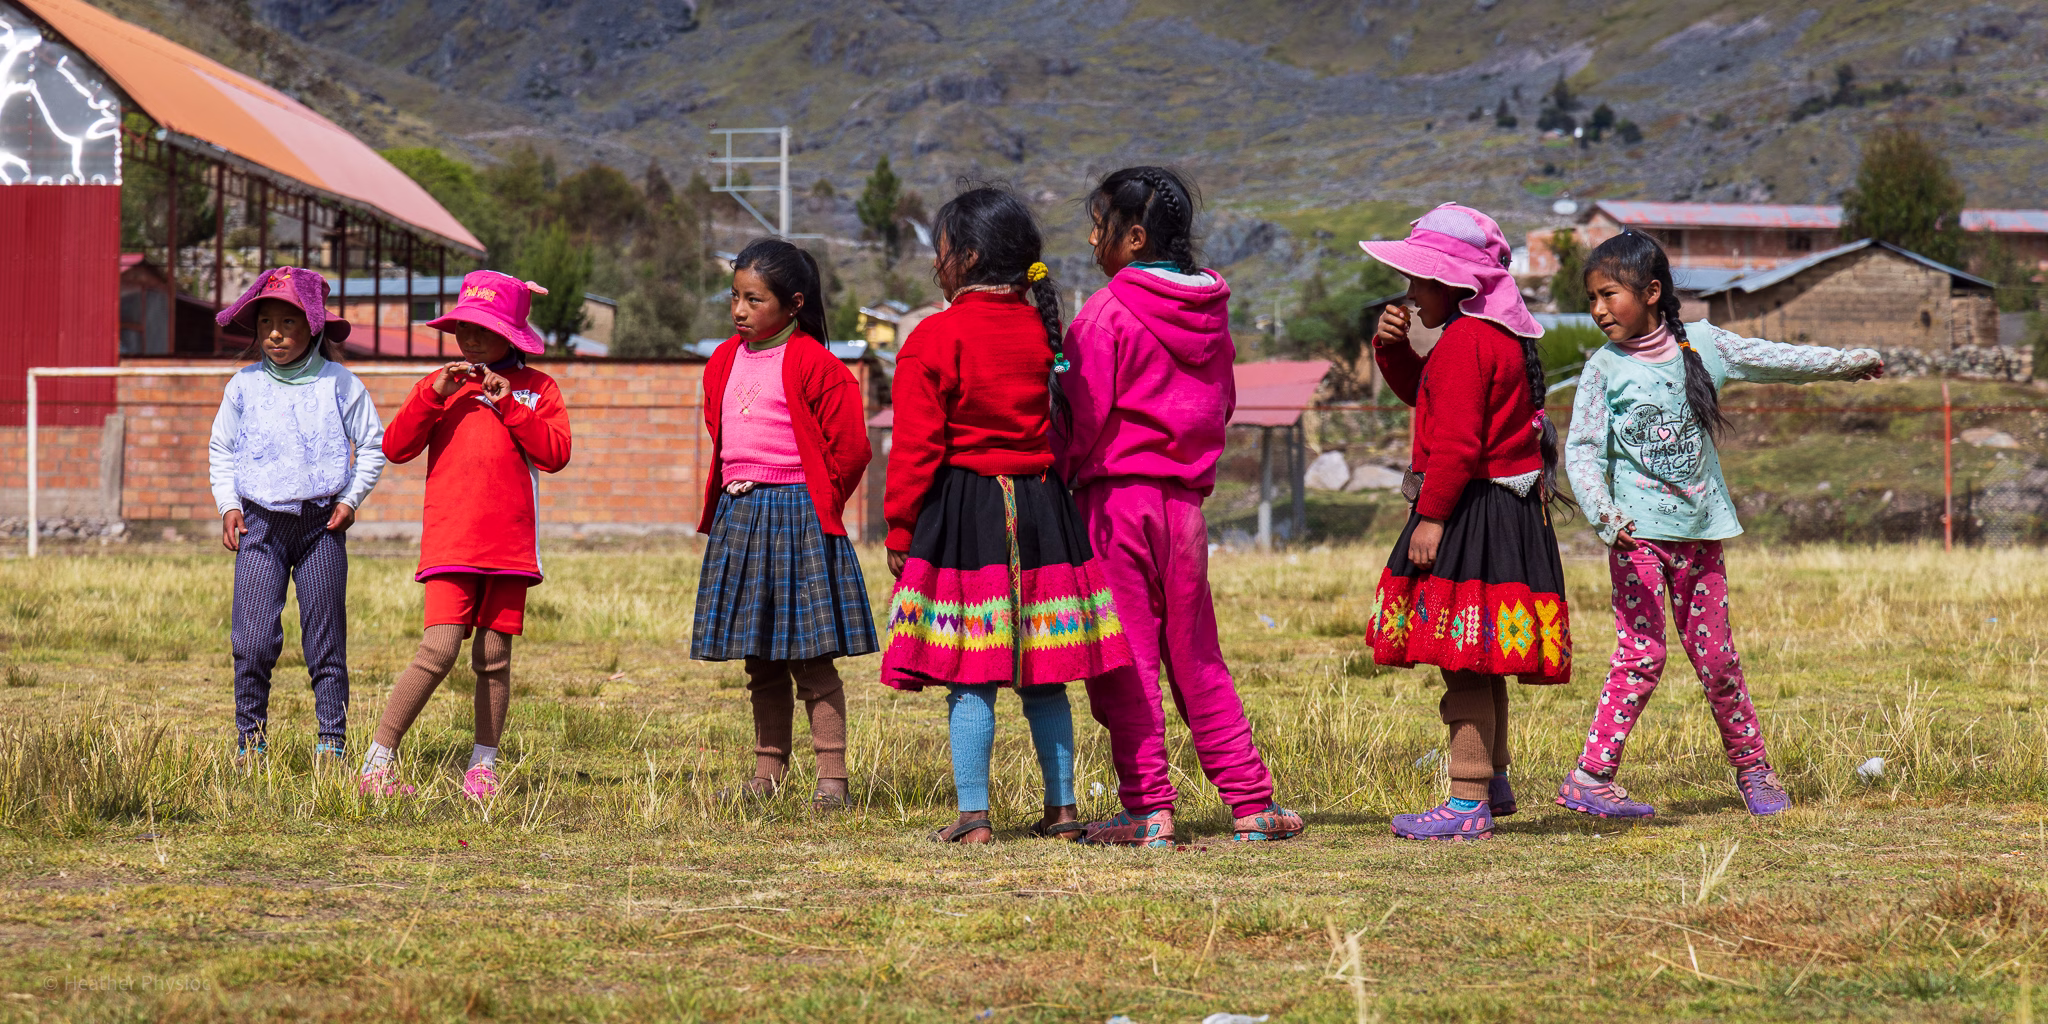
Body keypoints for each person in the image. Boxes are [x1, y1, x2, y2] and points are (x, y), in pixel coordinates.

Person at [1557, 230, 1882, 819]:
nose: (1598, 310)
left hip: (1700, 536)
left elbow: (1772, 357)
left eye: (1609, 295)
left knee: (1718, 661)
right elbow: (1580, 450)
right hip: (1638, 540)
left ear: (1652, 292)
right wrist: (1607, 516)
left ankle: (1754, 772)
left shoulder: (1704, 345)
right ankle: (1590, 778)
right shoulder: (1603, 369)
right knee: (1641, 654)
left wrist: (1844, 363)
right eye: (1592, 299)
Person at [1054, 167, 1302, 846]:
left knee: (1128, 660)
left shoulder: (1104, 314)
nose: (1091, 237)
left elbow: (1081, 419)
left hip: (1115, 503)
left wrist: (1066, 478)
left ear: (1132, 237)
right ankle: (1252, 806)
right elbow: (1220, 404)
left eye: (1099, 224)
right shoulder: (1212, 316)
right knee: (1197, 655)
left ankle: (1147, 810)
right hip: (1185, 510)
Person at [880, 185, 1131, 844]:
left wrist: (900, 528)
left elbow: (915, 448)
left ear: (964, 257)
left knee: (972, 672)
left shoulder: (934, 338)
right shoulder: (1041, 329)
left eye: (940, 251)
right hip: (1044, 510)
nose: (935, 263)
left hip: (968, 515)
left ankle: (973, 817)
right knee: (1045, 675)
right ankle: (1064, 812)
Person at [1365, 203, 1573, 842]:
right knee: (1479, 656)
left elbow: (1453, 442)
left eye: (1419, 281)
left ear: (1456, 284)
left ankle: (1466, 801)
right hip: (1499, 513)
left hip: (1467, 514)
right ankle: (1492, 783)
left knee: (1460, 658)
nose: (1410, 293)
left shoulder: (1464, 342)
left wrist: (1430, 518)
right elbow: (1432, 396)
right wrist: (1391, 350)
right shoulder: (1489, 338)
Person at [358, 270, 572, 800]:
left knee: (494, 658)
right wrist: (433, 394)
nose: (470, 338)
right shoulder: (441, 384)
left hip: (511, 549)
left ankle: (482, 768)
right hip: (451, 542)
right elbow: (396, 446)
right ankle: (376, 764)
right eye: (462, 326)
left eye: (484, 327)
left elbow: (556, 453)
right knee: (438, 649)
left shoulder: (539, 389)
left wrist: (509, 406)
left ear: (513, 333)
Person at [692, 238, 876, 810]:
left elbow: (851, 451)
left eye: (755, 299)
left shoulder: (820, 368)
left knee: (810, 656)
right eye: (735, 297)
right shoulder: (723, 360)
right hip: (741, 517)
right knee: (760, 655)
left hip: (797, 517)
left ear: (793, 304)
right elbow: (717, 426)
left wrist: (815, 501)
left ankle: (832, 782)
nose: (740, 311)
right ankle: (766, 776)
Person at [209, 267, 385, 760]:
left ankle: (332, 741)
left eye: (288, 322)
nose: (275, 333)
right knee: (253, 638)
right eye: (266, 322)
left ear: (313, 325)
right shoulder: (243, 387)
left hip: (320, 527)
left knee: (325, 637)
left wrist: (351, 499)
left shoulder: (340, 383)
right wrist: (229, 504)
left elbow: (373, 445)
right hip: (261, 527)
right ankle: (251, 741)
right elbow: (222, 448)